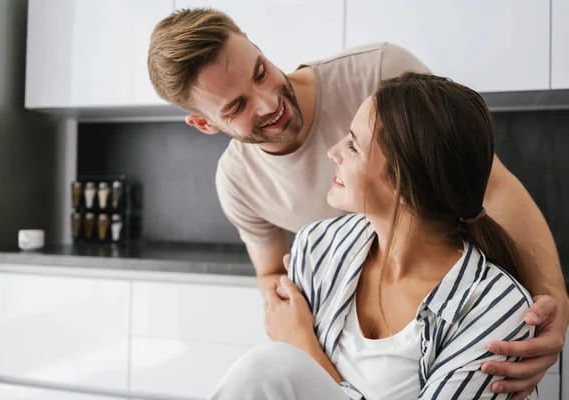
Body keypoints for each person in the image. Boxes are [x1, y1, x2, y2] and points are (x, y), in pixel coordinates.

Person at [147, 8, 567, 397]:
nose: (269, 103)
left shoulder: (378, 72)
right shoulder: (254, 196)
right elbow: (272, 274)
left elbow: (486, 184)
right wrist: (291, 331)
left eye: (260, 72)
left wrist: (552, 304)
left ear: (255, 47)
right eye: (237, 105)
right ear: (204, 123)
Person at [208, 72, 538, 399]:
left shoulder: (496, 311)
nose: (333, 152)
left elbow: (290, 379)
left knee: (267, 366)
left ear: (405, 184)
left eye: (353, 145)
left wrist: (301, 346)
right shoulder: (317, 247)